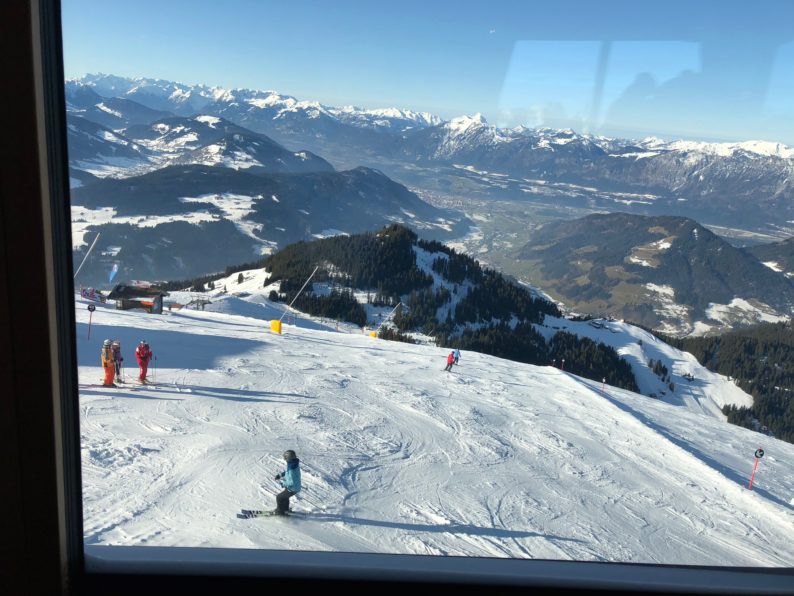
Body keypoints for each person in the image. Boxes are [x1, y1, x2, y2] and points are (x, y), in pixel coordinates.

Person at [273, 450, 301, 515]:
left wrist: (283, 483)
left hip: (292, 488)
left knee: (279, 497)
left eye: (285, 458)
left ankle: (279, 512)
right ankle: (285, 510)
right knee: (285, 497)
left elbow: (291, 482)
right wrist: (280, 475)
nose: (285, 459)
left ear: (288, 458)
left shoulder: (292, 468)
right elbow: (288, 472)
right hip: (294, 487)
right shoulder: (293, 464)